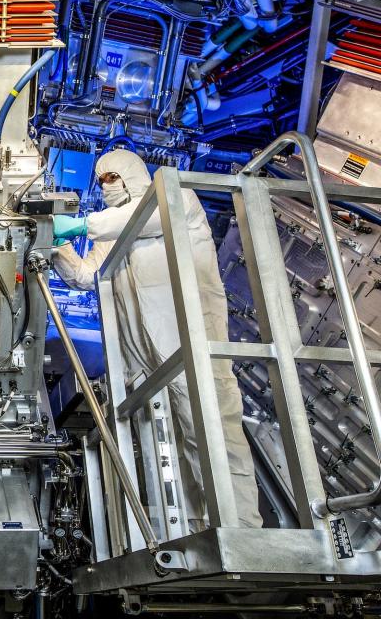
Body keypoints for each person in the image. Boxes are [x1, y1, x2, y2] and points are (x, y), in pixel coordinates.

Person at [51, 149, 262, 529]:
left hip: (191, 351)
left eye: (112, 177)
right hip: (146, 366)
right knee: (174, 456)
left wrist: (79, 224)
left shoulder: (175, 197)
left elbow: (144, 217)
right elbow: (86, 276)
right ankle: (198, 536)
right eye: (100, 181)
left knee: (214, 441)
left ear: (132, 173)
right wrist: (52, 243)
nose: (106, 186)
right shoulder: (110, 232)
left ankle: (243, 534)